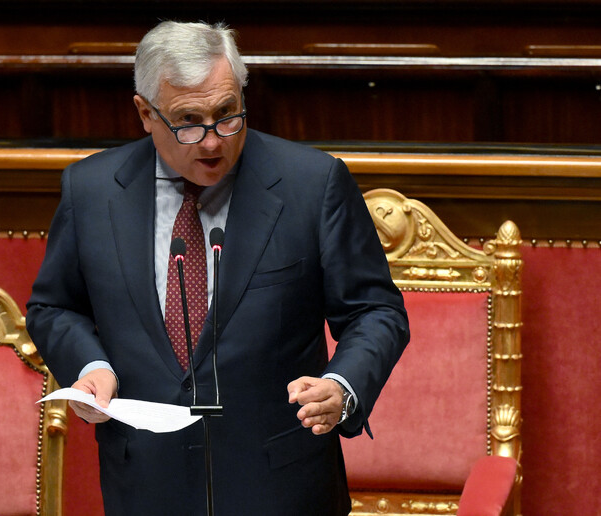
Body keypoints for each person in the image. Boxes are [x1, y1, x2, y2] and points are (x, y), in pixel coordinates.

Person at [27, 20, 409, 516]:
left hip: (281, 489)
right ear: (145, 113)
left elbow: (375, 311)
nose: (212, 141)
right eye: (188, 121)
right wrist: (91, 366)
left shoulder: (312, 184)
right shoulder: (92, 190)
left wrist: (342, 385)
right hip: (147, 487)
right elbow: (54, 307)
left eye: (227, 114)